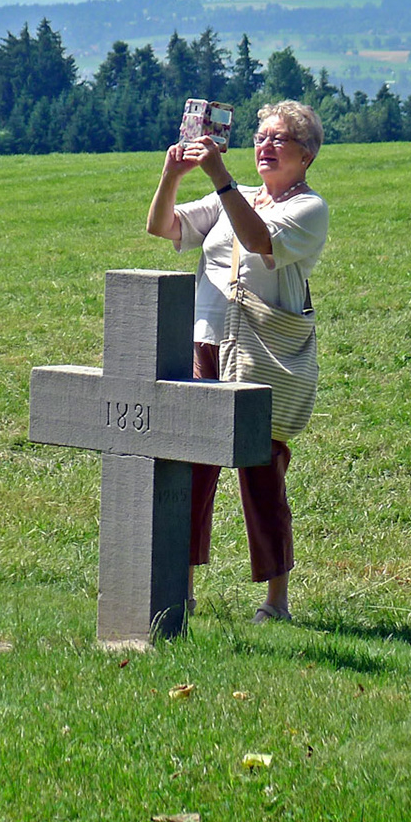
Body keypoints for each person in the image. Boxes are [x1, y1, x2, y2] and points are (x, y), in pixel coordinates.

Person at [146, 100, 329, 623]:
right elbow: (163, 227)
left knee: (260, 471)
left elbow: (257, 239)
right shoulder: (238, 195)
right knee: (193, 468)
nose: (265, 147)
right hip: (206, 345)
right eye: (261, 137)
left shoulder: (309, 209)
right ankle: (179, 588)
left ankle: (276, 601)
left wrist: (218, 173)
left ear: (307, 156)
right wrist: (171, 175)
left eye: (280, 140)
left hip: (261, 353)